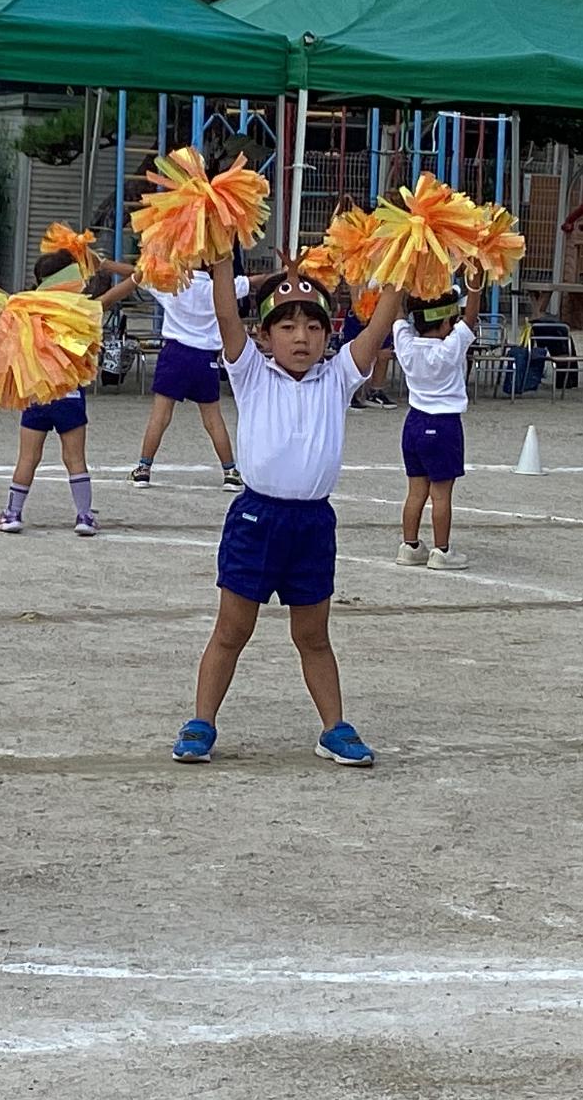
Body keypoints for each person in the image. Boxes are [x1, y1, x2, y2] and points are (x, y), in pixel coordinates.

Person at [170, 259, 401, 767]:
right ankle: (201, 723)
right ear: (265, 335)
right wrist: (223, 259)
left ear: (329, 334)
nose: (303, 337)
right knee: (232, 631)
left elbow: (381, 322)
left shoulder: (339, 376)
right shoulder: (250, 371)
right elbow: (227, 316)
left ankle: (334, 728)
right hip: (256, 520)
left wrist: (404, 262)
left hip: (313, 525)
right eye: (289, 326)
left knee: (314, 636)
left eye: (315, 326)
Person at [0, 253, 139, 536]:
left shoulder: (26, 308)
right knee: (75, 459)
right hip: (70, 394)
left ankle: (13, 513)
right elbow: (122, 289)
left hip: (38, 393)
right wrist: (126, 271)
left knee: (27, 458)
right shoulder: (80, 309)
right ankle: (84, 516)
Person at [131, 265, 279, 490]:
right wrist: (290, 272)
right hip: (204, 358)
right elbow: (257, 280)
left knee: (160, 416)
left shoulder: (170, 284)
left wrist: (101, 263)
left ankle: (143, 469)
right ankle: (230, 471)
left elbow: (134, 274)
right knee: (213, 419)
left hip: (174, 354)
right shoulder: (218, 288)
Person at [394, 282, 482, 569]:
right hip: (443, 425)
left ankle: (409, 546)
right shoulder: (449, 349)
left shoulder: (406, 344)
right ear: (446, 322)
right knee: (441, 493)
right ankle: (442, 551)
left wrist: (399, 280)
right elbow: (470, 318)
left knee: (416, 491)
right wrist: (476, 283)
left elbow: (397, 316)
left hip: (414, 423)